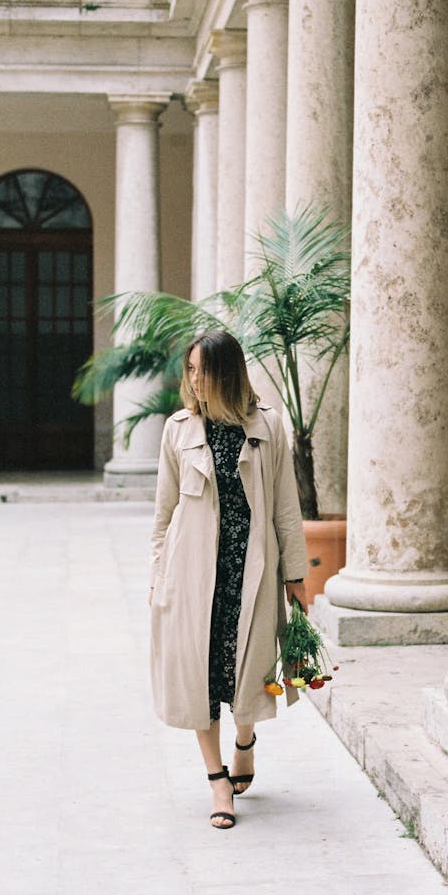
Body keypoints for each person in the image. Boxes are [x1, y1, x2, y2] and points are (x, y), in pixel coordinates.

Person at [149, 330, 308, 829]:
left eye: (204, 370)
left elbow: (286, 506)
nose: (195, 381)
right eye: (189, 370)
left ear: (228, 373)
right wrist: (159, 578)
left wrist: (296, 576)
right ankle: (218, 780)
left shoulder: (268, 427)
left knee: (248, 671)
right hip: (193, 578)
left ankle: (245, 742)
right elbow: (163, 515)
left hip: (251, 572)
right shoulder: (177, 431)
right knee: (201, 678)